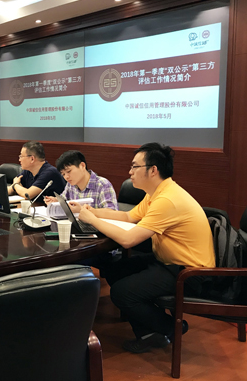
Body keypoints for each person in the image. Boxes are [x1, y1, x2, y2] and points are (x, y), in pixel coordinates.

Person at [77, 143, 214, 353]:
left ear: (153, 170)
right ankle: (149, 332)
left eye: (135, 166)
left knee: (121, 293)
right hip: (168, 261)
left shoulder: (167, 200)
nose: (130, 172)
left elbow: (128, 240)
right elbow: (127, 216)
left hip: (189, 272)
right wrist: (92, 211)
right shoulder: (156, 193)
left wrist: (92, 220)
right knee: (115, 270)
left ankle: (171, 328)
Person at [44, 150, 118, 210]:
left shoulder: (103, 185)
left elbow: (112, 213)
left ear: (82, 166)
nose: (66, 177)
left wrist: (82, 210)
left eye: (69, 171)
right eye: (63, 174)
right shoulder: (70, 184)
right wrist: (56, 201)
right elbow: (64, 200)